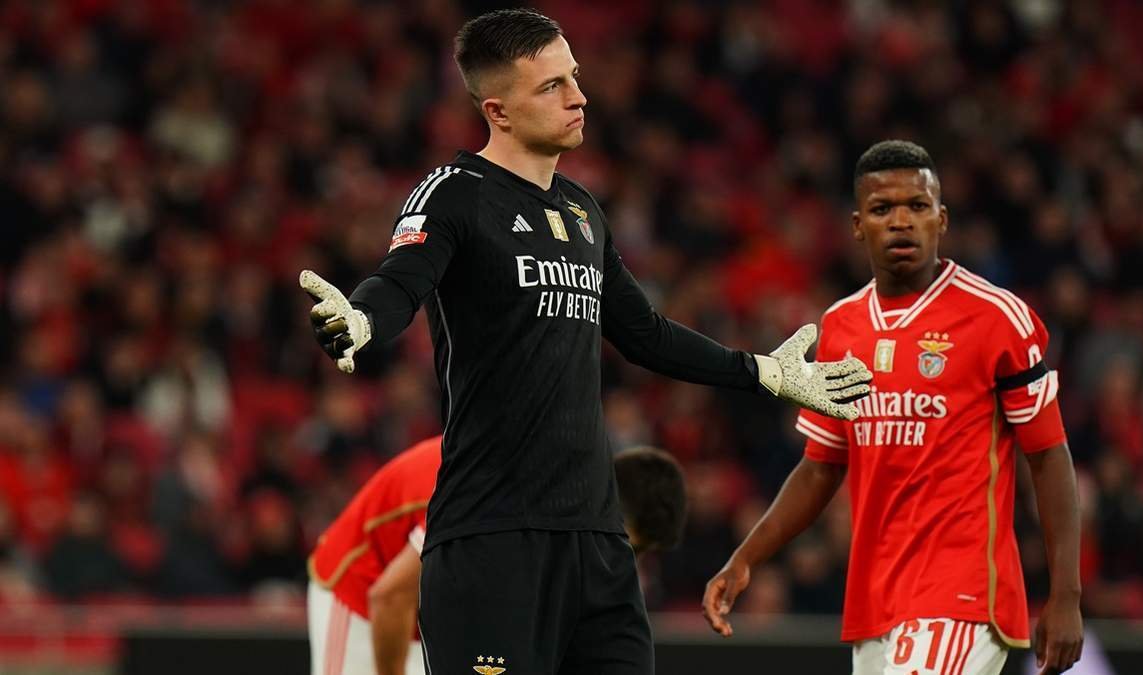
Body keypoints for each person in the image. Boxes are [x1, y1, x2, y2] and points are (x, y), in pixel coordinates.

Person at [299, 9, 872, 674]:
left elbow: (645, 334)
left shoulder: (581, 210)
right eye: (552, 86)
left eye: (573, 77)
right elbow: (401, 281)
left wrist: (762, 372)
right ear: (498, 110)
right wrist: (362, 319)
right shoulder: (455, 194)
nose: (579, 96)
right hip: (493, 538)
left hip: (598, 545)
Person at [702, 140, 1084, 675]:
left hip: (963, 596)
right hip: (875, 602)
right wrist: (746, 558)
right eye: (883, 209)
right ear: (858, 225)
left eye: (917, 206)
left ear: (941, 219)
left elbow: (1048, 455)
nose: (901, 221)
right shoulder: (840, 327)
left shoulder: (998, 318)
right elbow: (819, 468)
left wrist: (1066, 595)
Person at [306, 436, 688, 675]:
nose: (619, 560)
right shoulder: (497, 491)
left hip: (424, 608)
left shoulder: (562, 491)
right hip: (360, 593)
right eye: (630, 546)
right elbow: (389, 596)